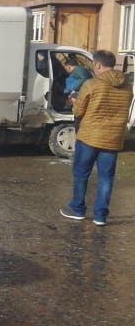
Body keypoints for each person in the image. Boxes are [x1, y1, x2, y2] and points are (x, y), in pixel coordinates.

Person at [59, 50, 133, 226]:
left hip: (90, 137)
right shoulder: (127, 86)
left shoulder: (91, 84)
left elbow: (78, 111)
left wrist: (74, 101)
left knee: (81, 173)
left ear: (98, 65)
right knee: (106, 177)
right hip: (113, 138)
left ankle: (77, 209)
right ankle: (100, 216)